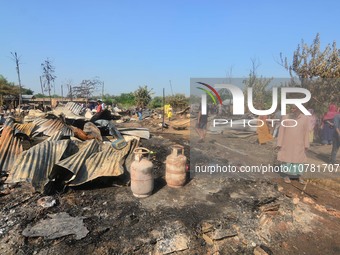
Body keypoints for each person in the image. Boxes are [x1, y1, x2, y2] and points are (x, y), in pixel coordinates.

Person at [276, 105, 310, 184]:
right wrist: (279, 143)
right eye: (291, 108)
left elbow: (306, 132)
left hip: (299, 143)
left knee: (299, 159)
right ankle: (286, 176)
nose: (292, 110)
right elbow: (281, 131)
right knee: (287, 159)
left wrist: (306, 144)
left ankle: (300, 176)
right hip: (287, 143)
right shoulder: (286, 117)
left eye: (294, 108)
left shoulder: (305, 118)